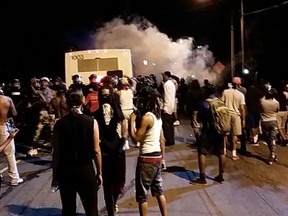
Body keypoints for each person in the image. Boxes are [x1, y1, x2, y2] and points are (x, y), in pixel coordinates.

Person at [51, 89, 103, 216]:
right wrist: (99, 173)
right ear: (83, 101)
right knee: (91, 210)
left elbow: (56, 153)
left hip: (66, 171)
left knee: (68, 209)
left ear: (66, 103)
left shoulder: (59, 124)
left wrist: (55, 176)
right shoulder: (92, 122)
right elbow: (96, 151)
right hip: (85, 170)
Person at [129, 86, 168, 216]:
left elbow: (136, 139)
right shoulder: (158, 117)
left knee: (142, 195)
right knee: (159, 191)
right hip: (157, 157)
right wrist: (163, 159)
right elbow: (162, 140)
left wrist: (131, 122)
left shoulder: (147, 118)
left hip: (146, 159)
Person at [93, 84, 127, 216]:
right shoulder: (96, 114)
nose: (105, 98)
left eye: (108, 95)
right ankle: (110, 210)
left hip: (118, 151)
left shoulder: (118, 111)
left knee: (119, 184)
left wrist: (123, 139)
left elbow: (124, 124)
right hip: (104, 153)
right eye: (103, 95)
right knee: (107, 185)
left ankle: (113, 203)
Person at [190, 85, 226, 184]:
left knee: (202, 152)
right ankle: (221, 175)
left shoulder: (203, 104)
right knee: (221, 153)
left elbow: (198, 119)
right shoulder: (220, 102)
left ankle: (202, 177)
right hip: (219, 131)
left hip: (207, 130)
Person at [0, 93, 24, 186]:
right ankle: (14, 178)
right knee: (10, 153)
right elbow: (14, 113)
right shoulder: (6, 99)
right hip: (3, 126)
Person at [222, 77, 246, 160]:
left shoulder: (225, 92)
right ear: (239, 84)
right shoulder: (241, 95)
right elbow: (242, 108)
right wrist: (243, 119)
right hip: (236, 115)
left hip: (226, 114)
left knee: (225, 133)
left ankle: (224, 150)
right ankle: (234, 153)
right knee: (235, 135)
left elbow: (222, 103)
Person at [260, 88, 279, 164]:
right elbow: (277, 110)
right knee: (273, 139)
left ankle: (272, 154)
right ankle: (273, 154)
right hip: (273, 121)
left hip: (264, 121)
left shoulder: (262, 101)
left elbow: (260, 109)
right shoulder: (276, 102)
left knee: (267, 139)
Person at [160, 71, 176, 146]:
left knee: (166, 126)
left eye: (163, 76)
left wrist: (165, 108)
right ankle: (171, 139)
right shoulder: (172, 84)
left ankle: (169, 140)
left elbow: (166, 97)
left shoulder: (166, 84)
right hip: (171, 106)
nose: (163, 77)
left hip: (167, 107)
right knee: (170, 125)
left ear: (166, 76)